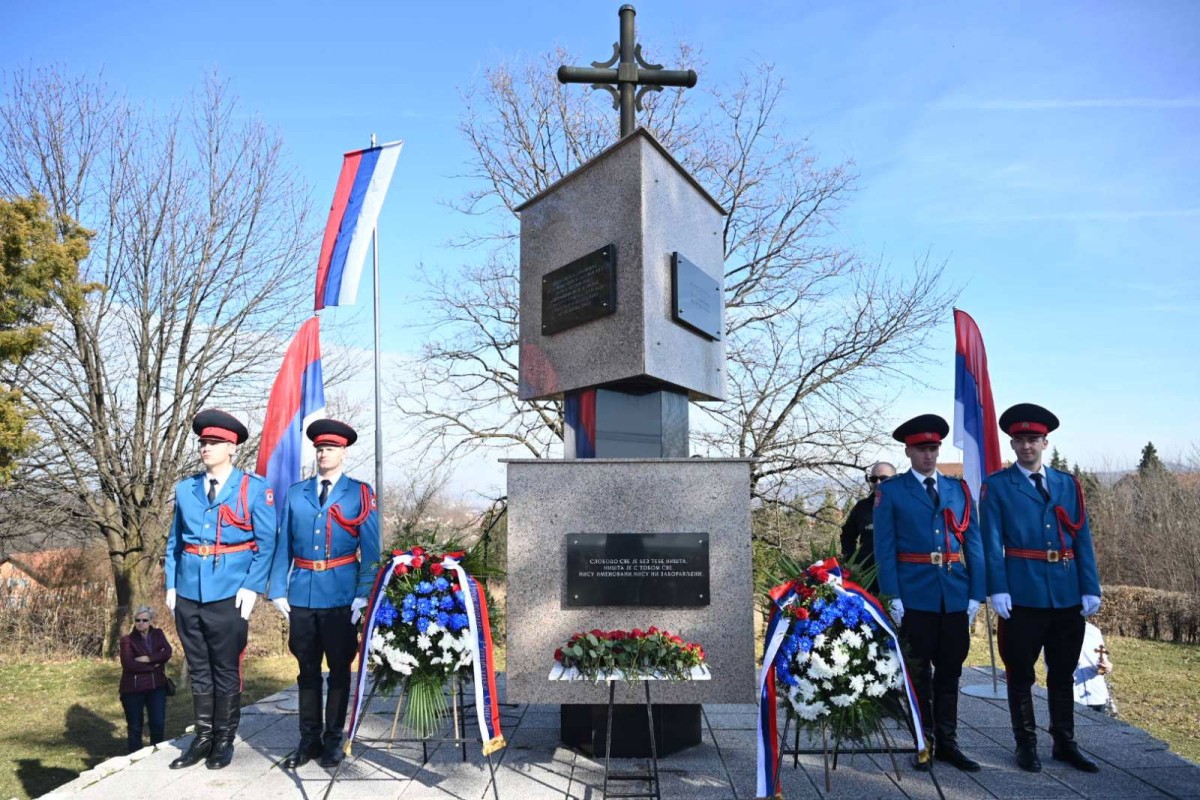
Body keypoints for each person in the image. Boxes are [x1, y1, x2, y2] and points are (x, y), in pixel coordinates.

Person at [981, 403, 1102, 773]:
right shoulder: (998, 486)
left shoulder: (1067, 484)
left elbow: (1082, 537)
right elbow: (991, 541)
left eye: (1033, 439)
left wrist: (1089, 585)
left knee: (1062, 673)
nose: (1027, 446)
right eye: (1020, 440)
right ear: (1012, 445)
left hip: (1066, 593)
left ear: (1045, 443)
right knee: (1020, 673)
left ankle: (1065, 742)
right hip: (1022, 594)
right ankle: (1026, 744)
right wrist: (997, 588)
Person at [163, 409, 276, 770]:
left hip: (230, 592)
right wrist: (171, 584)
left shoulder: (253, 489)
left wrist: (252, 586)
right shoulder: (185, 488)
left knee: (225, 668)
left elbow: (266, 541)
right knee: (198, 667)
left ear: (232, 448)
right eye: (202, 442)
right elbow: (175, 542)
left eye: (213, 442)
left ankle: (224, 739)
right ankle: (203, 736)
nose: (205, 447)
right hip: (188, 591)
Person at [874, 414, 985, 772]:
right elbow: (885, 549)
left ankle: (949, 742)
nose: (929, 455)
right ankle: (925, 741)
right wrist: (893, 596)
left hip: (954, 592)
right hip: (915, 595)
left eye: (934, 448)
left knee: (951, 671)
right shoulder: (891, 491)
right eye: (922, 449)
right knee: (919, 674)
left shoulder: (958, 490)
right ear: (908, 451)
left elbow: (975, 544)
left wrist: (976, 594)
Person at [268, 419, 380, 769]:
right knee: (306, 671)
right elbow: (282, 543)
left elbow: (371, 550)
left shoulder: (358, 493)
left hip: (341, 598)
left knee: (340, 671)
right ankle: (308, 740)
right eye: (318, 448)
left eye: (329, 448)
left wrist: (363, 594)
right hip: (302, 594)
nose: (322, 453)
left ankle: (334, 739)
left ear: (342, 452)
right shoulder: (296, 492)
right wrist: (277, 589)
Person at [118, 606, 173, 753]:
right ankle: (135, 755)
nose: (141, 623)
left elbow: (167, 652)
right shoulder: (127, 641)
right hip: (133, 689)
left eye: (144, 620)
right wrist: (154, 666)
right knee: (135, 726)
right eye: (138, 620)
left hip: (157, 687)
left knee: (158, 722)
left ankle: (157, 752)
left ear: (150, 621)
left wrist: (148, 658)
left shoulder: (158, 634)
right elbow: (128, 664)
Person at [840, 461, 896, 593]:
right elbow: (847, 536)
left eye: (883, 478)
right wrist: (851, 563)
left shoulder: (906, 506)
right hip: (867, 579)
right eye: (873, 479)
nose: (877, 482)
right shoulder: (861, 507)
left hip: (898, 576)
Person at [1071, 622, 1113, 713]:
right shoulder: (1056, 630)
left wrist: (1105, 667)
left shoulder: (1093, 631)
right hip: (1072, 697)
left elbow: (1101, 663)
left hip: (1096, 696)